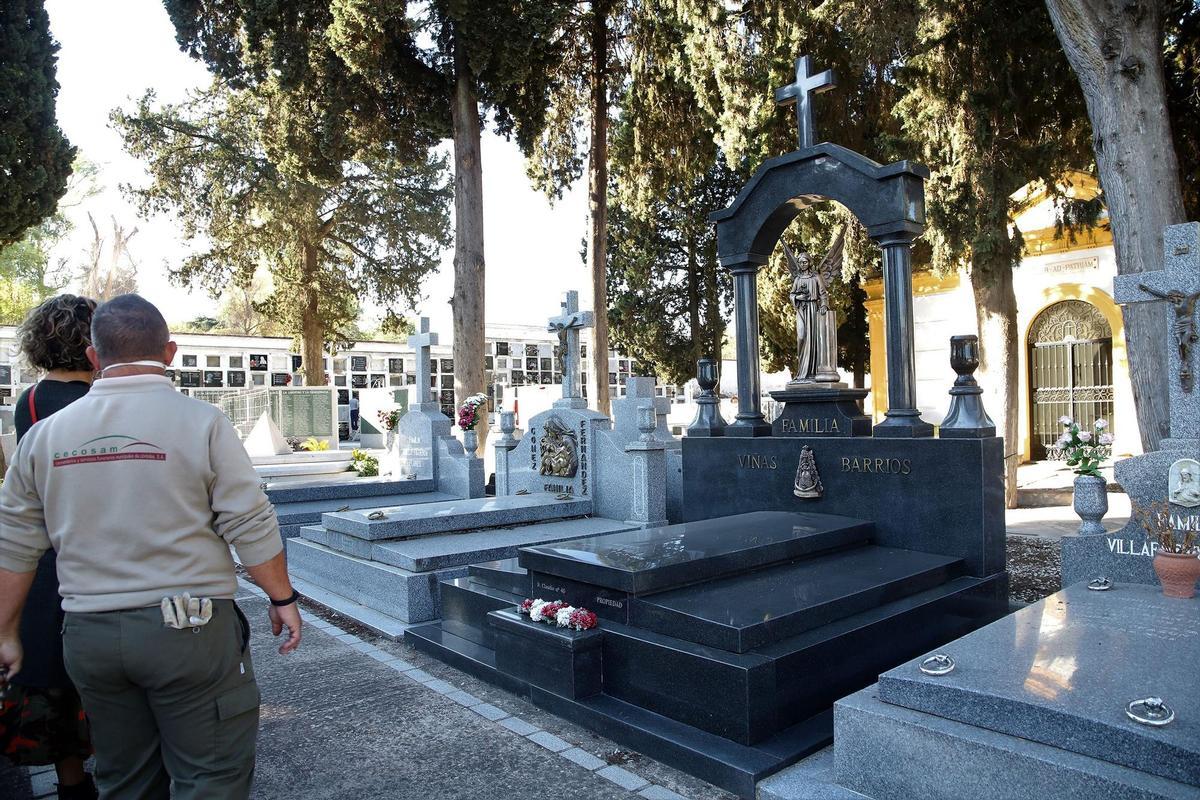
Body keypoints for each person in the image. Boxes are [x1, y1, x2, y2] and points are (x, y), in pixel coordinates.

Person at [0, 294, 303, 800]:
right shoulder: (202, 423)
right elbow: (247, 520)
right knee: (209, 774)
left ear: (95, 358)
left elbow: (14, 541)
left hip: (88, 633)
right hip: (189, 629)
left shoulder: (45, 436)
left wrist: (7, 631)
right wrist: (282, 598)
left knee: (126, 779)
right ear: (171, 352)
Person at [0, 295, 98, 799]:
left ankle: (73, 786)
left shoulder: (31, 402)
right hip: (102, 556)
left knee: (57, 688)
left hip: (49, 560)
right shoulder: (103, 402)